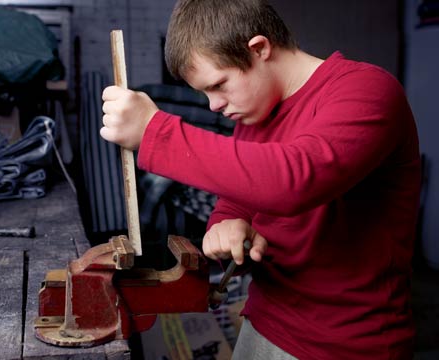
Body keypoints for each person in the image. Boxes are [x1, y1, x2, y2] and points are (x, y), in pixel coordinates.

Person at [101, 0, 421, 358]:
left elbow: (295, 179)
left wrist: (155, 133)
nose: (214, 105)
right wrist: (226, 226)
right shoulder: (256, 116)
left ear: (259, 48)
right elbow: (237, 199)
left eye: (219, 85)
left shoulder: (367, 90)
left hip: (346, 345)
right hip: (264, 325)